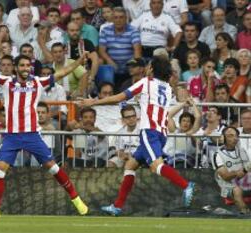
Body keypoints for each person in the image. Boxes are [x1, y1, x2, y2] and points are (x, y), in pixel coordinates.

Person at [0, 44, 90, 218]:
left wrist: (79, 62)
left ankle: (76, 200)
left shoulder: (37, 82)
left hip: (31, 135)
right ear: (15, 68)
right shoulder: (7, 82)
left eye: (27, 65)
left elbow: (61, 73)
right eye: (21, 65)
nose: (25, 68)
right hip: (11, 136)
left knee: (53, 168)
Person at [78, 56, 195, 216]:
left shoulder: (146, 82)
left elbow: (120, 98)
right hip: (161, 133)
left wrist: (94, 103)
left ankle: (186, 185)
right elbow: (165, 114)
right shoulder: (167, 88)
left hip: (149, 132)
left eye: (149, 65)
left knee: (156, 166)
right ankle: (117, 206)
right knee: (130, 166)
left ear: (152, 69)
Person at [213, 126, 251, 214]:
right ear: (223, 138)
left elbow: (247, 171)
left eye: (236, 136)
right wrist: (240, 172)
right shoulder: (217, 154)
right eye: (230, 136)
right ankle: (246, 214)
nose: (234, 138)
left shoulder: (242, 151)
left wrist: (246, 170)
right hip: (228, 186)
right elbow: (225, 176)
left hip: (245, 183)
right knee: (237, 190)